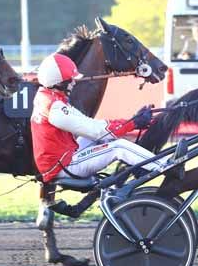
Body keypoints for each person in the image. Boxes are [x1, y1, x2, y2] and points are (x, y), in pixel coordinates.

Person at [31, 53, 164, 183]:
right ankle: (164, 166)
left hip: (62, 159)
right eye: (70, 79)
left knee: (104, 136)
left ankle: (138, 168)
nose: (74, 82)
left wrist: (132, 120)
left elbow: (91, 125)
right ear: (58, 82)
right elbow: (96, 130)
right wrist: (133, 123)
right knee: (119, 147)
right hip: (63, 166)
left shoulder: (49, 97)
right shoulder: (54, 107)